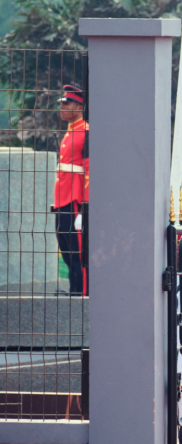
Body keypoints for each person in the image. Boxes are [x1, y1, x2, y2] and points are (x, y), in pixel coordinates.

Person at [52, 84, 89, 295]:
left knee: (77, 251)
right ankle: (74, 289)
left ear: (79, 106)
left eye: (67, 103)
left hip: (75, 198)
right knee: (65, 247)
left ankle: (81, 291)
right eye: (62, 103)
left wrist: (85, 206)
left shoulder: (86, 131)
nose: (62, 107)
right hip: (62, 199)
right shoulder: (71, 131)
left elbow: (89, 170)